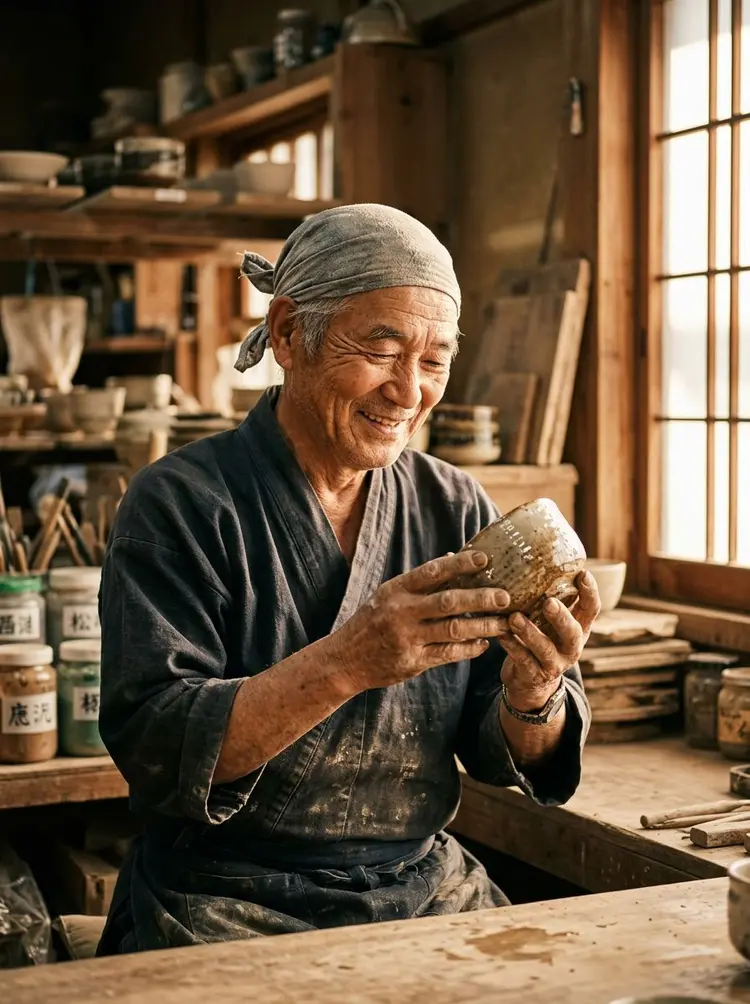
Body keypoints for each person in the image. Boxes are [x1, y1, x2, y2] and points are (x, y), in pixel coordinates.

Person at [96, 203, 598, 956]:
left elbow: (505, 749)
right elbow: (156, 747)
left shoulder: (452, 504)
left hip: (420, 889)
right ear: (293, 333)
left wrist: (534, 696)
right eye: (382, 348)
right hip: (223, 901)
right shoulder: (181, 503)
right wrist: (348, 662)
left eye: (434, 361)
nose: (408, 391)